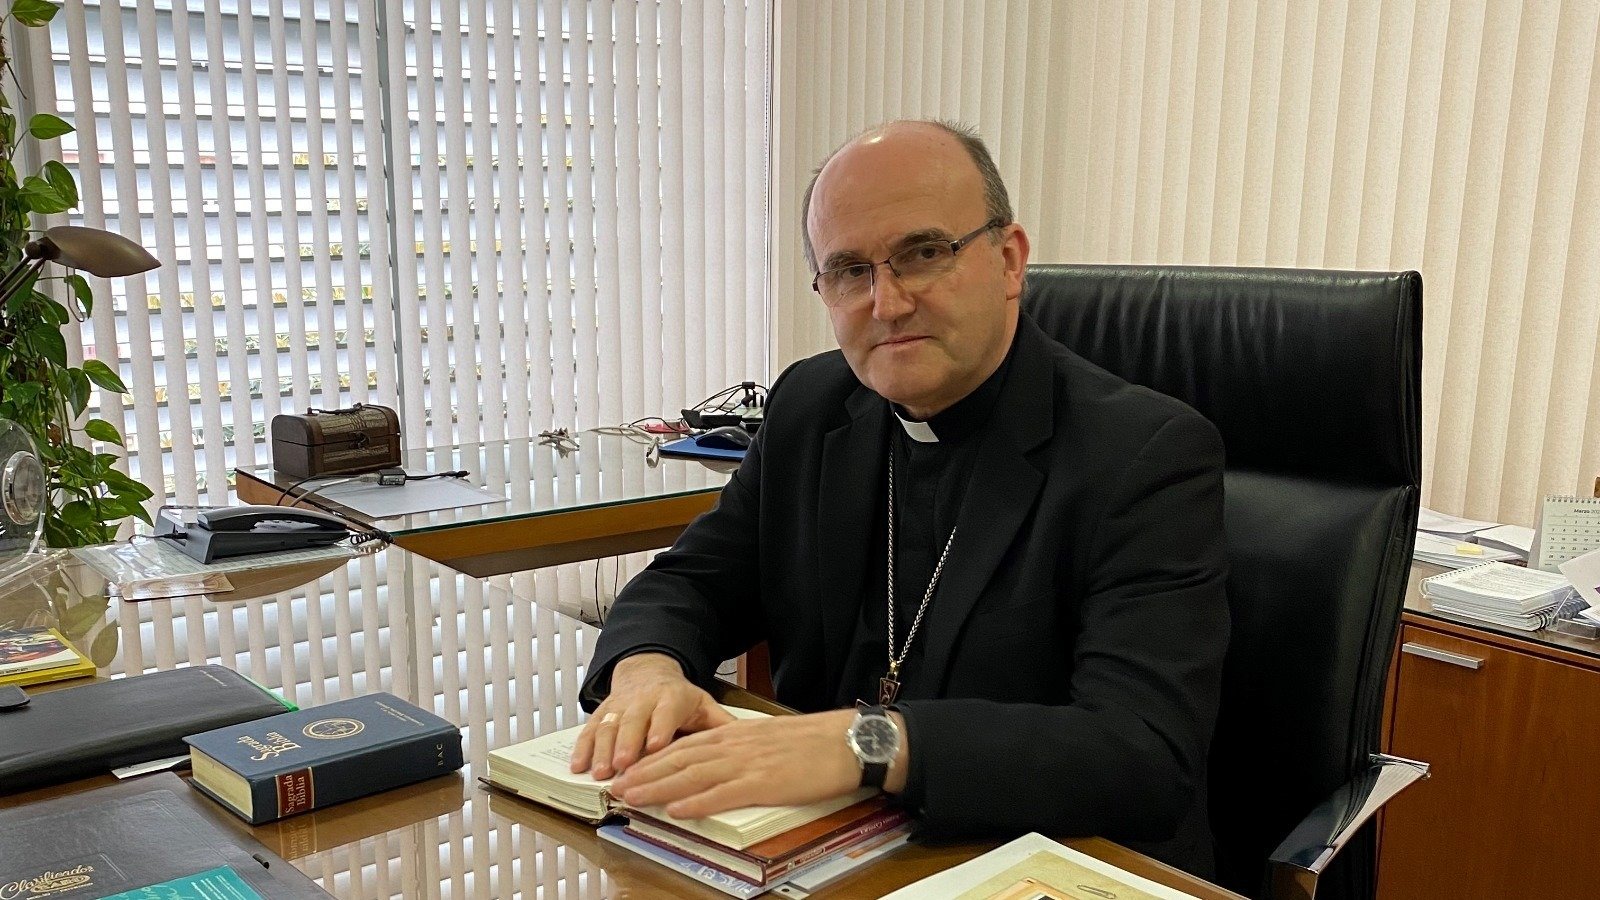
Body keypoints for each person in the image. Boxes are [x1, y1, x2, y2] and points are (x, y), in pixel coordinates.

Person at [570, 119, 1230, 874]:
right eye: (849, 270)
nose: (885, 302)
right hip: (821, 850)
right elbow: (692, 582)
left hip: (1043, 863)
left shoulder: (1143, 454)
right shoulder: (812, 406)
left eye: (923, 253)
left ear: (1009, 260)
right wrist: (648, 668)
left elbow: (1142, 754)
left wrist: (867, 743)